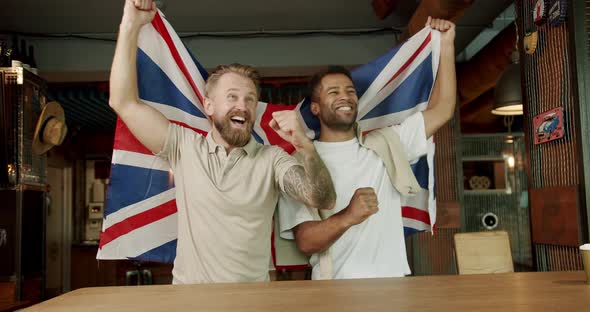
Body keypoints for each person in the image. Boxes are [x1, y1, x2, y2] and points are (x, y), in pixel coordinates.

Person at [108, 0, 336, 284]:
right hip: (191, 302)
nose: (242, 106)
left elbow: (322, 198)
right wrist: (130, 24)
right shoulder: (183, 146)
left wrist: (305, 145)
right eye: (232, 97)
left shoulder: (272, 159)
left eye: (249, 100)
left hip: (251, 303)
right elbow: (122, 101)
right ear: (209, 106)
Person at [278, 17, 456, 279]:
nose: (345, 97)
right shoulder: (298, 163)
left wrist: (447, 45)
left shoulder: (386, 144)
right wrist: (349, 215)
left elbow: (442, 110)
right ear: (314, 108)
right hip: (333, 291)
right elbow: (305, 241)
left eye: (350, 91)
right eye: (333, 92)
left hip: (394, 287)